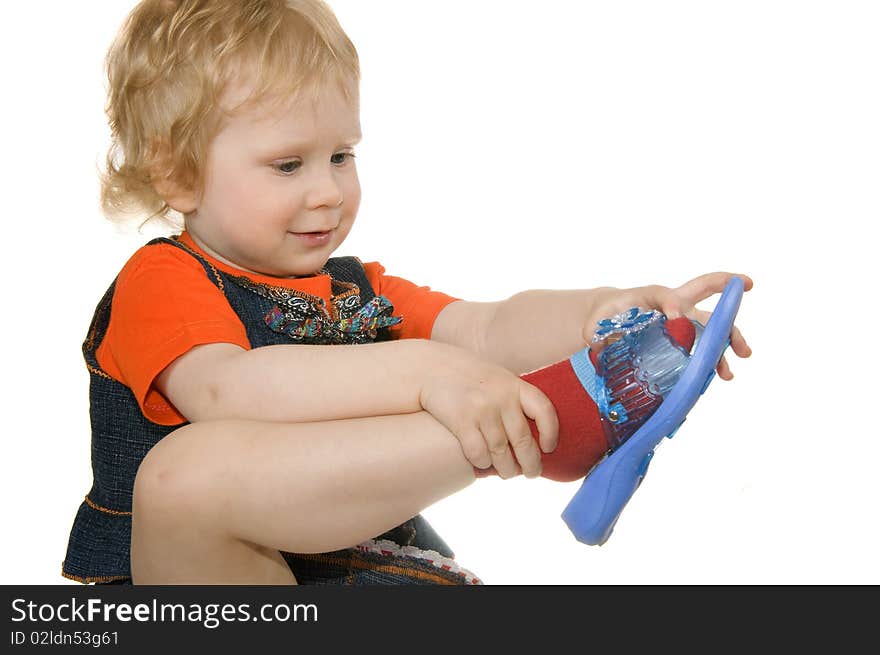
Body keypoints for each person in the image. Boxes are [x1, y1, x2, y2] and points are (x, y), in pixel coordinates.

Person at [61, 0, 752, 585]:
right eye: (288, 164)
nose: (329, 190)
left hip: (390, 578)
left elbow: (484, 330)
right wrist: (431, 376)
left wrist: (597, 312)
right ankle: (542, 427)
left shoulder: (357, 292)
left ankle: (553, 407)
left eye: (341, 156)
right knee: (180, 477)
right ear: (178, 172)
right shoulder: (163, 281)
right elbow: (232, 391)